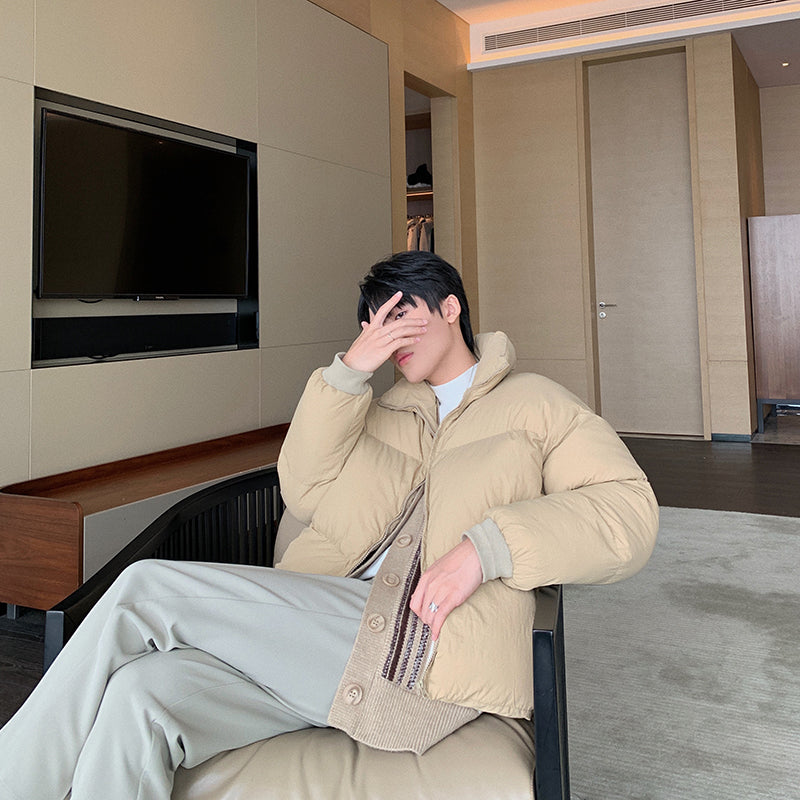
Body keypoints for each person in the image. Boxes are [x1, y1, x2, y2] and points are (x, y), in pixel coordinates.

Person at [0, 251, 658, 800]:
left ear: (450, 307)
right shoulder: (380, 409)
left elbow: (628, 511)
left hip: (423, 643)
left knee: (146, 588)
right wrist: (348, 374)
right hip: (324, 637)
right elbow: (304, 487)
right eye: (371, 323)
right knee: (142, 695)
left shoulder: (536, 405)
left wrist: (488, 548)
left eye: (398, 313)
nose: (383, 334)